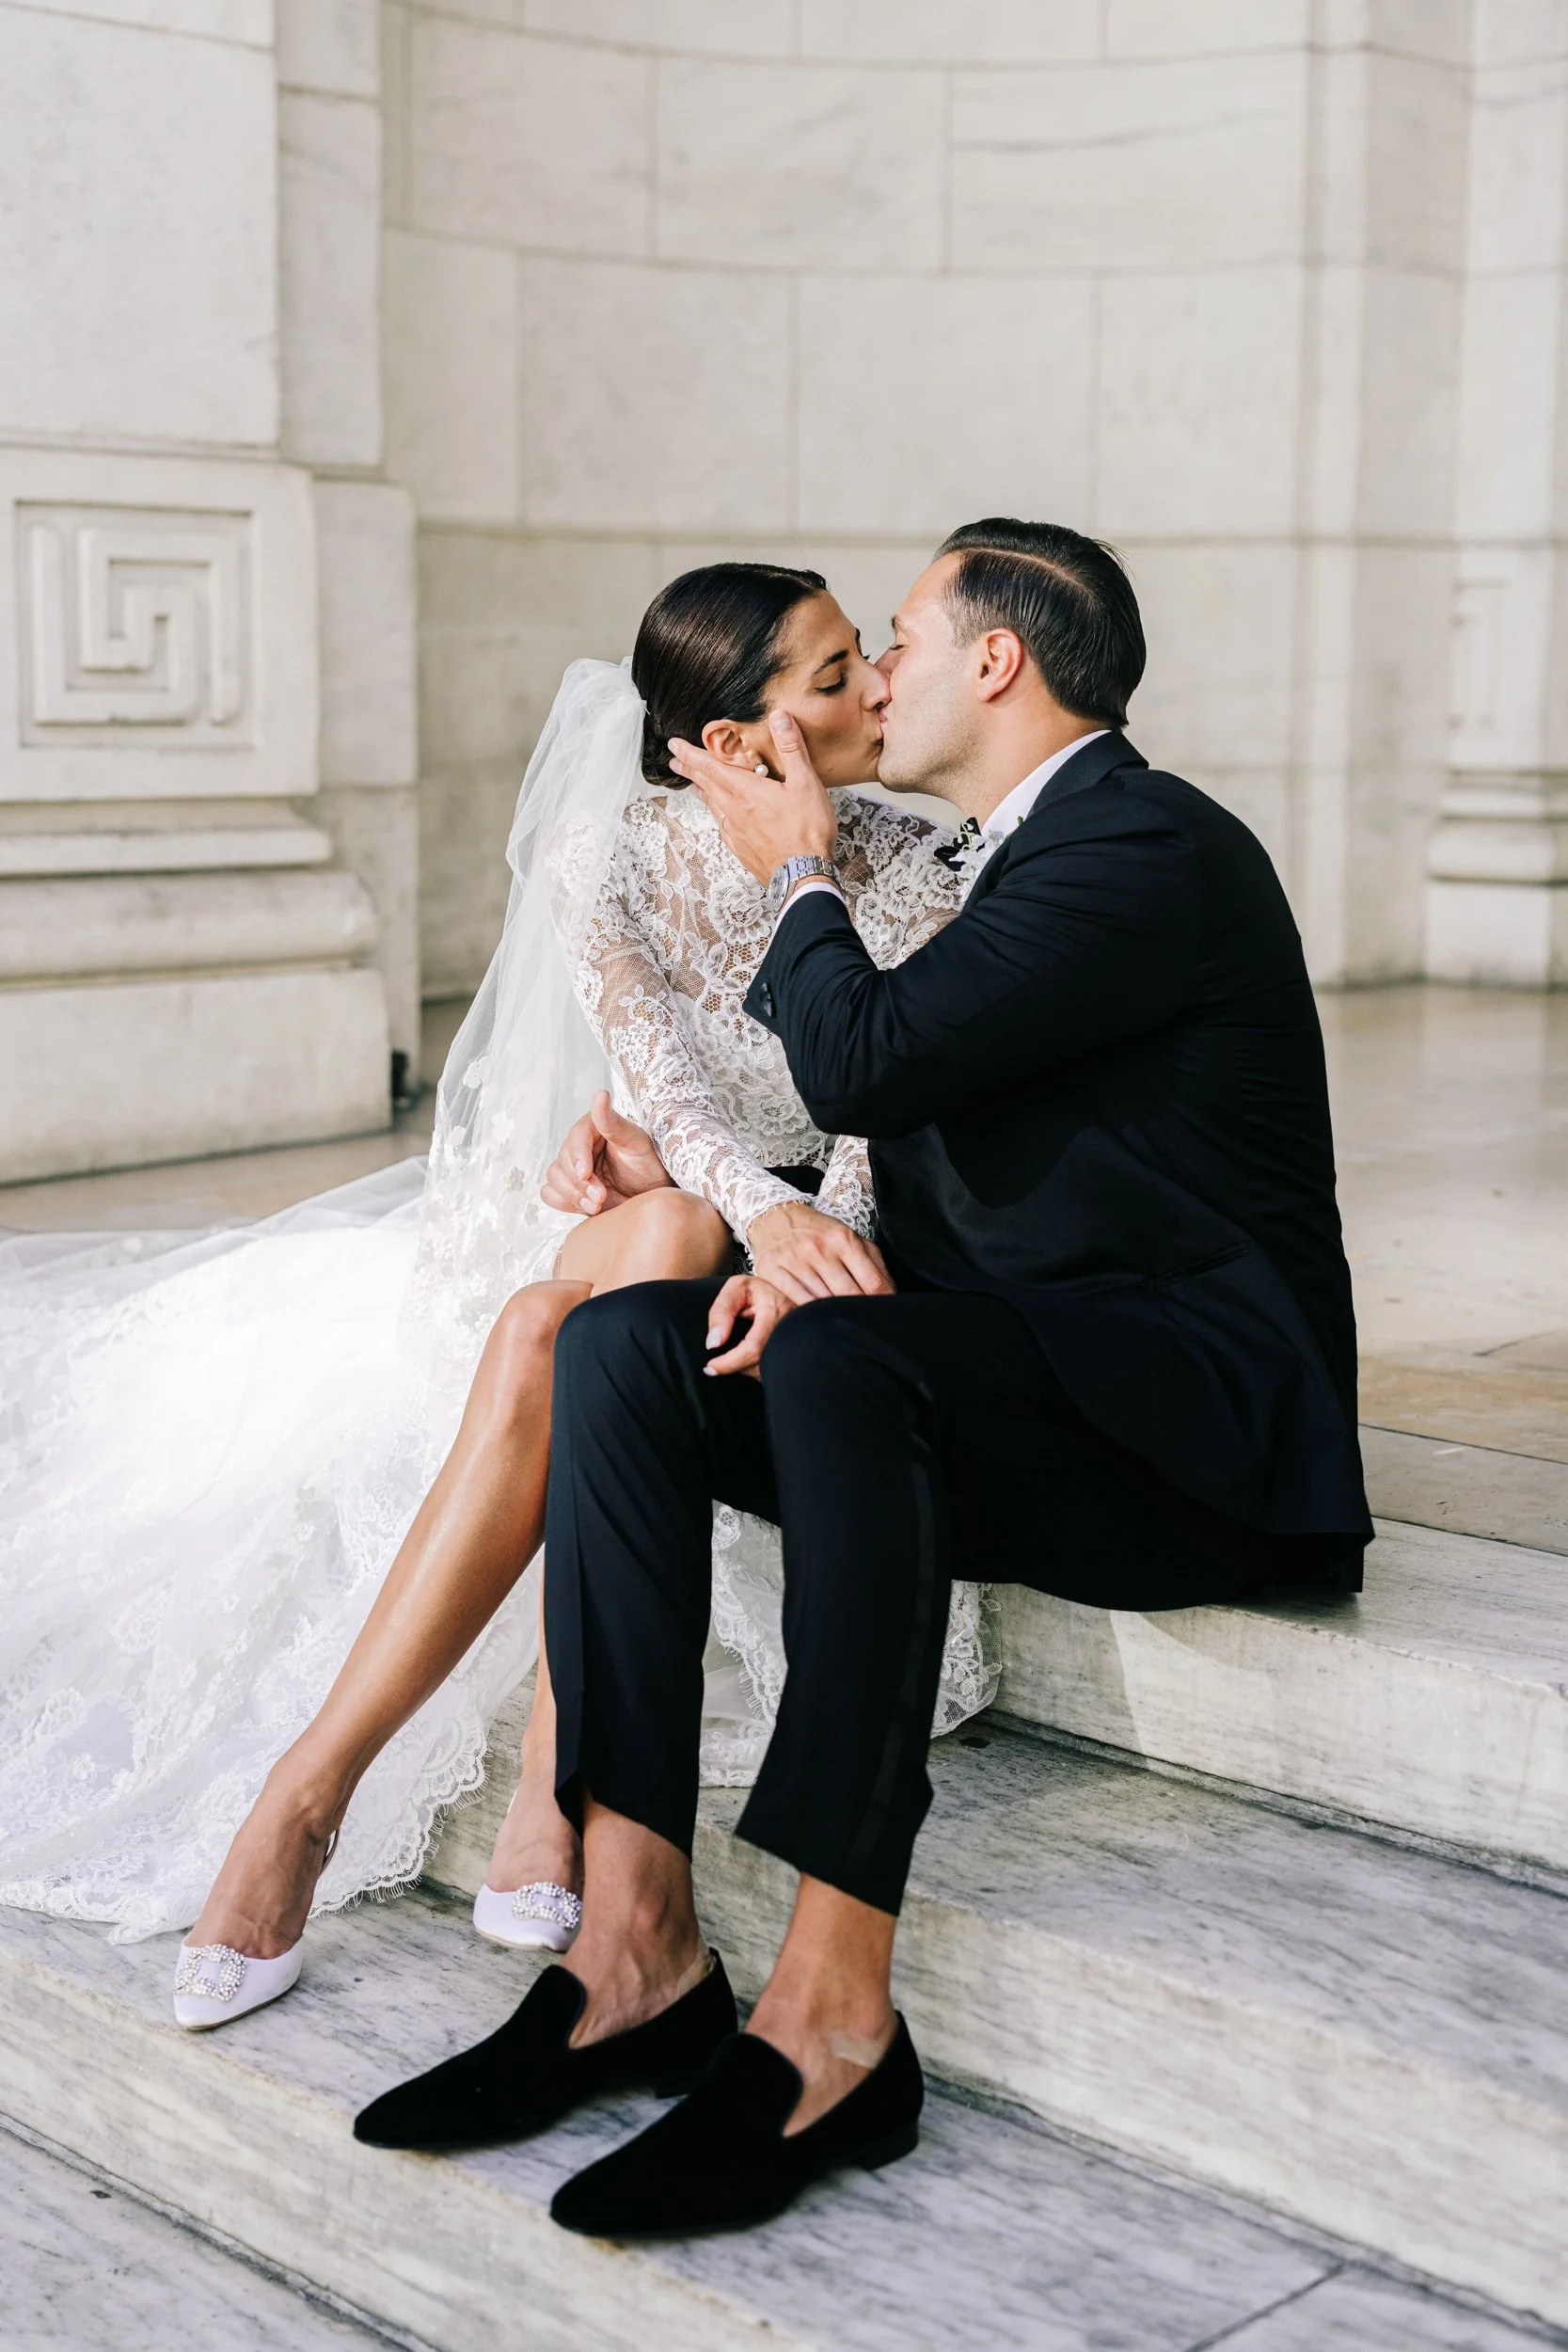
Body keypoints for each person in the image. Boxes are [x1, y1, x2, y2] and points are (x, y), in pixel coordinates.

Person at [354, 518, 1372, 2240]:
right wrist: (690, 1196)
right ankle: (630, 1948)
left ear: (997, 661)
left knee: (834, 1356)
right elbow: (887, 1120)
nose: (879, 676)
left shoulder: (1141, 847)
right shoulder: (1009, 853)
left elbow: (867, 1061)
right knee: (621, 1344)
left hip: (1194, 1432)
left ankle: (832, 2016)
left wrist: (793, 869)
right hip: (1029, 1373)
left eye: (900, 638)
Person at [0, 564, 993, 2026]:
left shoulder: (921, 857)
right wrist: (763, 1214)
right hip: (669, 1222)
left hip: (737, 1240)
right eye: (838, 675)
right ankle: (477, 1778)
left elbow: (873, 1111)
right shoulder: (613, 849)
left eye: (868, 663)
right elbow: (659, 1079)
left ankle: (329, 1789)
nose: (877, 693)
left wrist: (815, 1241)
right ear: (731, 745)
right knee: (645, 1240)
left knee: (569, 1323)